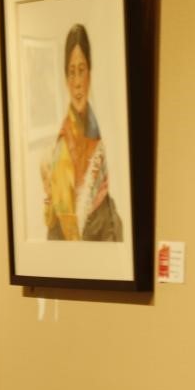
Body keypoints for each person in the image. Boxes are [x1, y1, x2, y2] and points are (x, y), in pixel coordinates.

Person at [41, 23, 123, 241]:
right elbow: (60, 227)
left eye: (82, 70)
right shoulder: (61, 149)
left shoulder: (99, 133)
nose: (77, 83)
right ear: (66, 80)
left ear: (90, 74)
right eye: (71, 72)